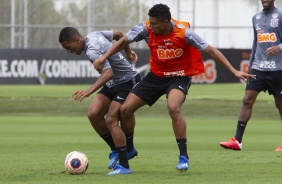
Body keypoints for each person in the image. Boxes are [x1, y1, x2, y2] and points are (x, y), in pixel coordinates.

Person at [93, 3, 256, 172]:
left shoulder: (184, 33)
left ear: (165, 22)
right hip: (155, 76)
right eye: (150, 22)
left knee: (173, 107)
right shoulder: (145, 28)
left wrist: (233, 70)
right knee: (125, 110)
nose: (151, 26)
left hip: (179, 76)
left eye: (155, 23)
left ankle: (183, 156)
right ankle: (130, 149)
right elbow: (123, 41)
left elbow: (211, 51)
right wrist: (103, 57)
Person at [58, 27, 141, 175]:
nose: (68, 51)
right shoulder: (94, 35)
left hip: (127, 81)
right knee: (93, 114)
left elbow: (108, 73)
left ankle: (124, 165)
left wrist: (88, 91)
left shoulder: (91, 51)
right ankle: (117, 149)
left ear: (77, 40)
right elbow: (119, 35)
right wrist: (128, 52)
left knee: (111, 119)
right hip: (113, 83)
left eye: (68, 47)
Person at [220, 0, 282, 152]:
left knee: (280, 105)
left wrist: (279, 47)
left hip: (278, 69)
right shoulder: (256, 18)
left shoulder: (280, 15)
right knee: (247, 100)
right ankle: (237, 141)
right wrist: (250, 63)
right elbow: (256, 41)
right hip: (258, 68)